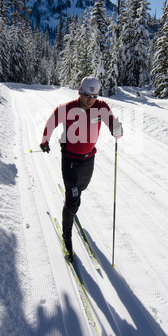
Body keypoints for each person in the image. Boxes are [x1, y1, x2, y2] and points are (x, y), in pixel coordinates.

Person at [40, 77, 123, 262]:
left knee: (82, 188)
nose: (90, 99)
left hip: (88, 159)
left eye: (94, 95)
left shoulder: (101, 107)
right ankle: (66, 239)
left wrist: (117, 130)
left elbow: (114, 125)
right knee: (72, 202)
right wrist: (44, 141)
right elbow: (51, 122)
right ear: (79, 92)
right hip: (70, 159)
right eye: (87, 95)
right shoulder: (67, 108)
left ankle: (74, 197)